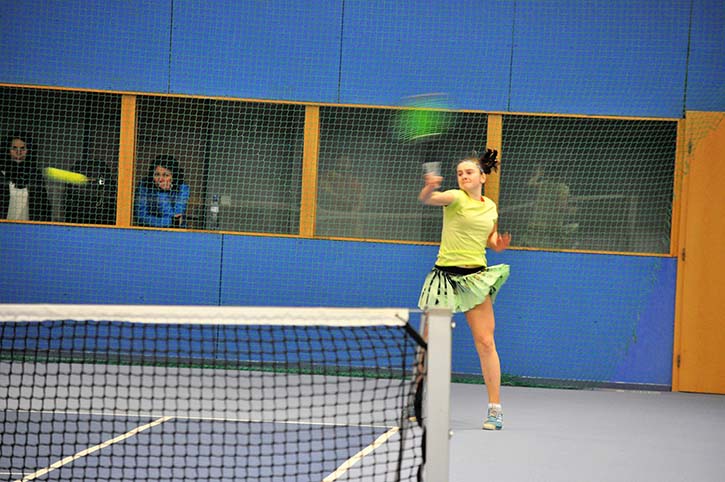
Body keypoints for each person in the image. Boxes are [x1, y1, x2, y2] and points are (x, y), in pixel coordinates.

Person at [417, 148, 511, 430]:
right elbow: (430, 199)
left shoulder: (490, 206)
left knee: (486, 342)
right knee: (429, 342)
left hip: (474, 279)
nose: (463, 176)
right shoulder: (455, 198)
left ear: (482, 177)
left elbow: (489, 237)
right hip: (444, 279)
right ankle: (416, 401)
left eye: (469, 172)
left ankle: (495, 410)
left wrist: (496, 244)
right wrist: (429, 188)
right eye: (459, 173)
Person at [520, 167, 577, 248]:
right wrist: (571, 210)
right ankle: (568, 247)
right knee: (575, 226)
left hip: (537, 222)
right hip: (553, 225)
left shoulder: (543, 184)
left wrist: (538, 175)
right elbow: (561, 206)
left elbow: (530, 183)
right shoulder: (563, 188)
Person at [0, 134, 51, 221]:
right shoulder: (1, 175)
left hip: (29, 228)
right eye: (14, 148)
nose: (18, 152)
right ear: (7, 150)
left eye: (23, 148)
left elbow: (44, 208)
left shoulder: (36, 177)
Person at [134, 155, 189, 228]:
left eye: (165, 175)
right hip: (150, 229)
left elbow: (177, 218)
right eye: (157, 174)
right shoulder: (144, 186)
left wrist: (163, 193)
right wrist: (170, 221)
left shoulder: (183, 188)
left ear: (174, 177)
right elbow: (141, 216)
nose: (160, 179)